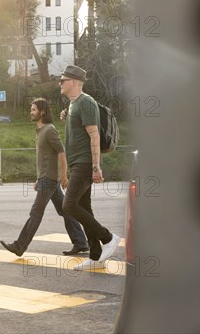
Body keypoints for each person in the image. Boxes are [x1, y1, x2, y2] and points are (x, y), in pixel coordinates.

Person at [0, 98, 89, 257]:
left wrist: (64, 176)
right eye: (31, 109)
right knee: (65, 211)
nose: (31, 112)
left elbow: (61, 153)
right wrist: (38, 178)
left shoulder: (49, 130)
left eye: (34, 109)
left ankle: (20, 246)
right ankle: (81, 242)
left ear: (42, 112)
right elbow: (45, 159)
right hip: (46, 179)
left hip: (49, 181)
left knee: (35, 213)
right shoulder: (41, 131)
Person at [58, 65, 121, 271]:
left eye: (63, 80)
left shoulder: (86, 102)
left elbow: (94, 135)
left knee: (68, 205)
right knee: (84, 208)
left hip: (85, 163)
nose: (60, 83)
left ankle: (108, 237)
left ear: (75, 82)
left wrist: (96, 167)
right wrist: (67, 115)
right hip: (78, 162)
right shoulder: (74, 104)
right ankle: (95, 257)